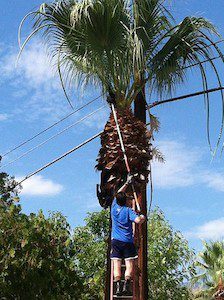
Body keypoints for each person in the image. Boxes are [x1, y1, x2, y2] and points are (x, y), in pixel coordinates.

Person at [110, 176, 146, 296]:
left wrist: (126, 182)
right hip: (127, 242)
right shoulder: (128, 210)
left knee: (117, 264)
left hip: (116, 241)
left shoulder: (113, 207)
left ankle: (118, 287)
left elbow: (119, 193)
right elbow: (137, 221)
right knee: (129, 264)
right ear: (126, 200)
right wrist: (142, 217)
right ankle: (126, 286)